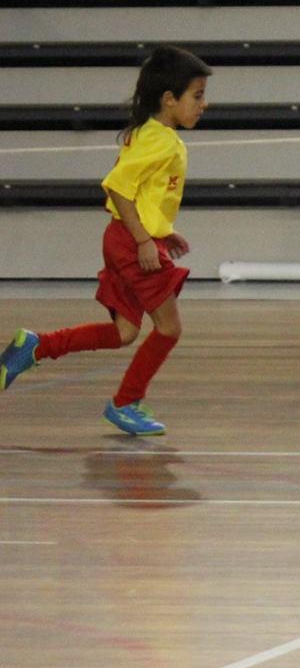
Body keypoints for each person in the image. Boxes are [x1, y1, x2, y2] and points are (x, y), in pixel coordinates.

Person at [1, 47, 213, 436]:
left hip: (123, 239)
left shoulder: (148, 133)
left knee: (124, 333)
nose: (205, 104)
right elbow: (117, 189)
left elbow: (142, 194)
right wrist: (145, 241)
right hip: (133, 244)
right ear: (169, 99)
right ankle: (125, 402)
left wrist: (163, 231)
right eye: (197, 96)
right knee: (168, 329)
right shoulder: (161, 141)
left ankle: (35, 346)